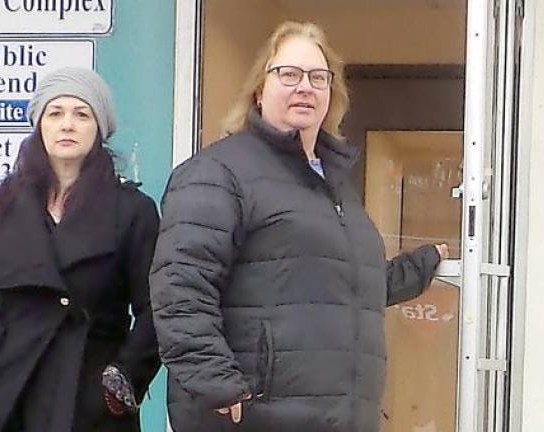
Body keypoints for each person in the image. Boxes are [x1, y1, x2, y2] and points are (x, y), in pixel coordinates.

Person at [150, 21, 449, 432]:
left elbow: (340, 288)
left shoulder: (335, 187)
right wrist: (215, 385)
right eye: (288, 74)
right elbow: (180, 288)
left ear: (332, 94)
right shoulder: (218, 172)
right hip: (256, 416)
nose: (304, 87)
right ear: (260, 89)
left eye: (318, 77)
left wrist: (422, 266)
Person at [0, 67, 161, 432]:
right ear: (40, 124)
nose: (67, 124)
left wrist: (123, 378)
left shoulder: (132, 210)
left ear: (99, 127)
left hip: (87, 397)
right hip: (4, 390)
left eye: (81, 114)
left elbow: (157, 309)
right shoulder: (4, 203)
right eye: (55, 113)